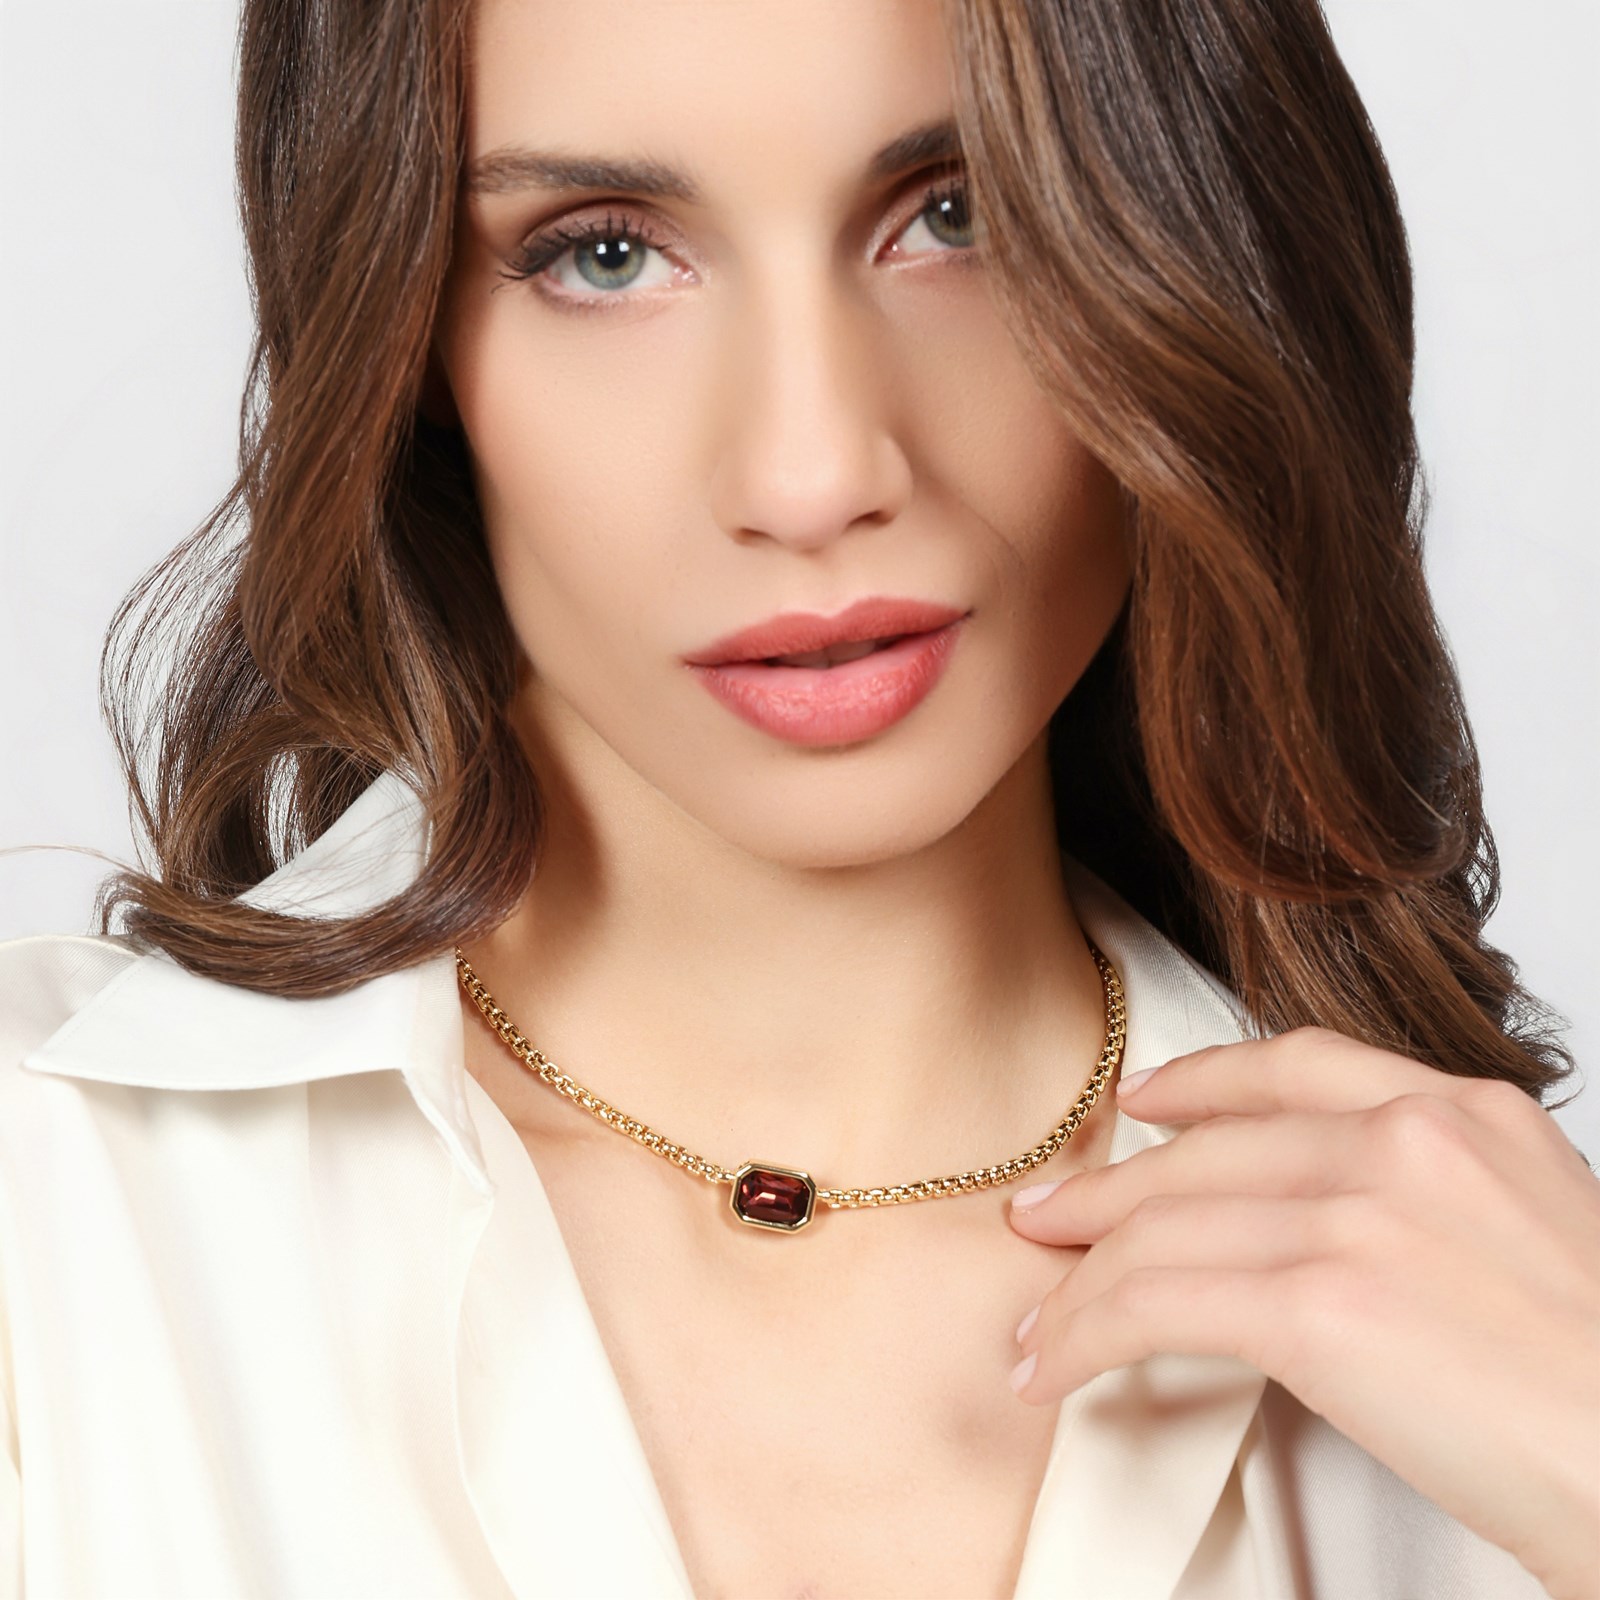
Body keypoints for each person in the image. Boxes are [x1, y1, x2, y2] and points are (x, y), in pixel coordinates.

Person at [0, 0, 1595, 1595]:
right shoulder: (49, 1226)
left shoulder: (1508, 1339)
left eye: (960, 215)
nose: (813, 474)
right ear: (406, 340)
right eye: (602, 255)